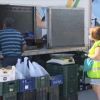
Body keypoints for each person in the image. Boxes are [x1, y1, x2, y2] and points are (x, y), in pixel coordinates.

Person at [87, 26, 100, 100]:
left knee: (98, 91)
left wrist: (88, 55)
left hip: (97, 74)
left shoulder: (98, 44)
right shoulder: (96, 43)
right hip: (96, 73)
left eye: (90, 33)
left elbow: (97, 56)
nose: (89, 35)